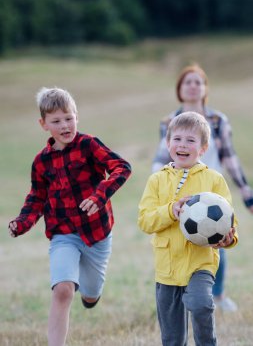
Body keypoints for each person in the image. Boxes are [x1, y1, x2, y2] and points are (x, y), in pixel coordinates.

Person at [8, 87, 132, 346]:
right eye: (56, 121)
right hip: (63, 235)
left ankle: (90, 296)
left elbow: (122, 167)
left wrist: (100, 196)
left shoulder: (88, 145)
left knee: (89, 294)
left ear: (76, 116)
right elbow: (37, 198)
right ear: (43, 124)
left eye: (69, 118)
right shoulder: (41, 162)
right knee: (63, 290)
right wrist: (22, 223)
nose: (64, 125)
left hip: (97, 233)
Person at [152, 63, 253, 312]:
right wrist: (156, 181)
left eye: (199, 82)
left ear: (205, 88)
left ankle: (217, 296)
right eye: (188, 82)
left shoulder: (218, 120)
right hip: (181, 189)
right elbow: (162, 155)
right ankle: (181, 294)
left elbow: (229, 156)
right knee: (181, 239)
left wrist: (245, 189)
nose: (194, 86)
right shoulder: (168, 121)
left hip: (210, 187)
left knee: (217, 234)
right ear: (180, 89)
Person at [138, 111, 238, 346]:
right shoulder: (157, 180)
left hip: (200, 263)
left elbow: (229, 219)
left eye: (191, 141)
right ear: (167, 143)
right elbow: (145, 220)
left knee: (201, 304)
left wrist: (229, 239)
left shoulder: (214, 180)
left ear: (203, 148)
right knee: (173, 339)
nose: (183, 145)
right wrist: (170, 211)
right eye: (177, 139)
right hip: (167, 268)